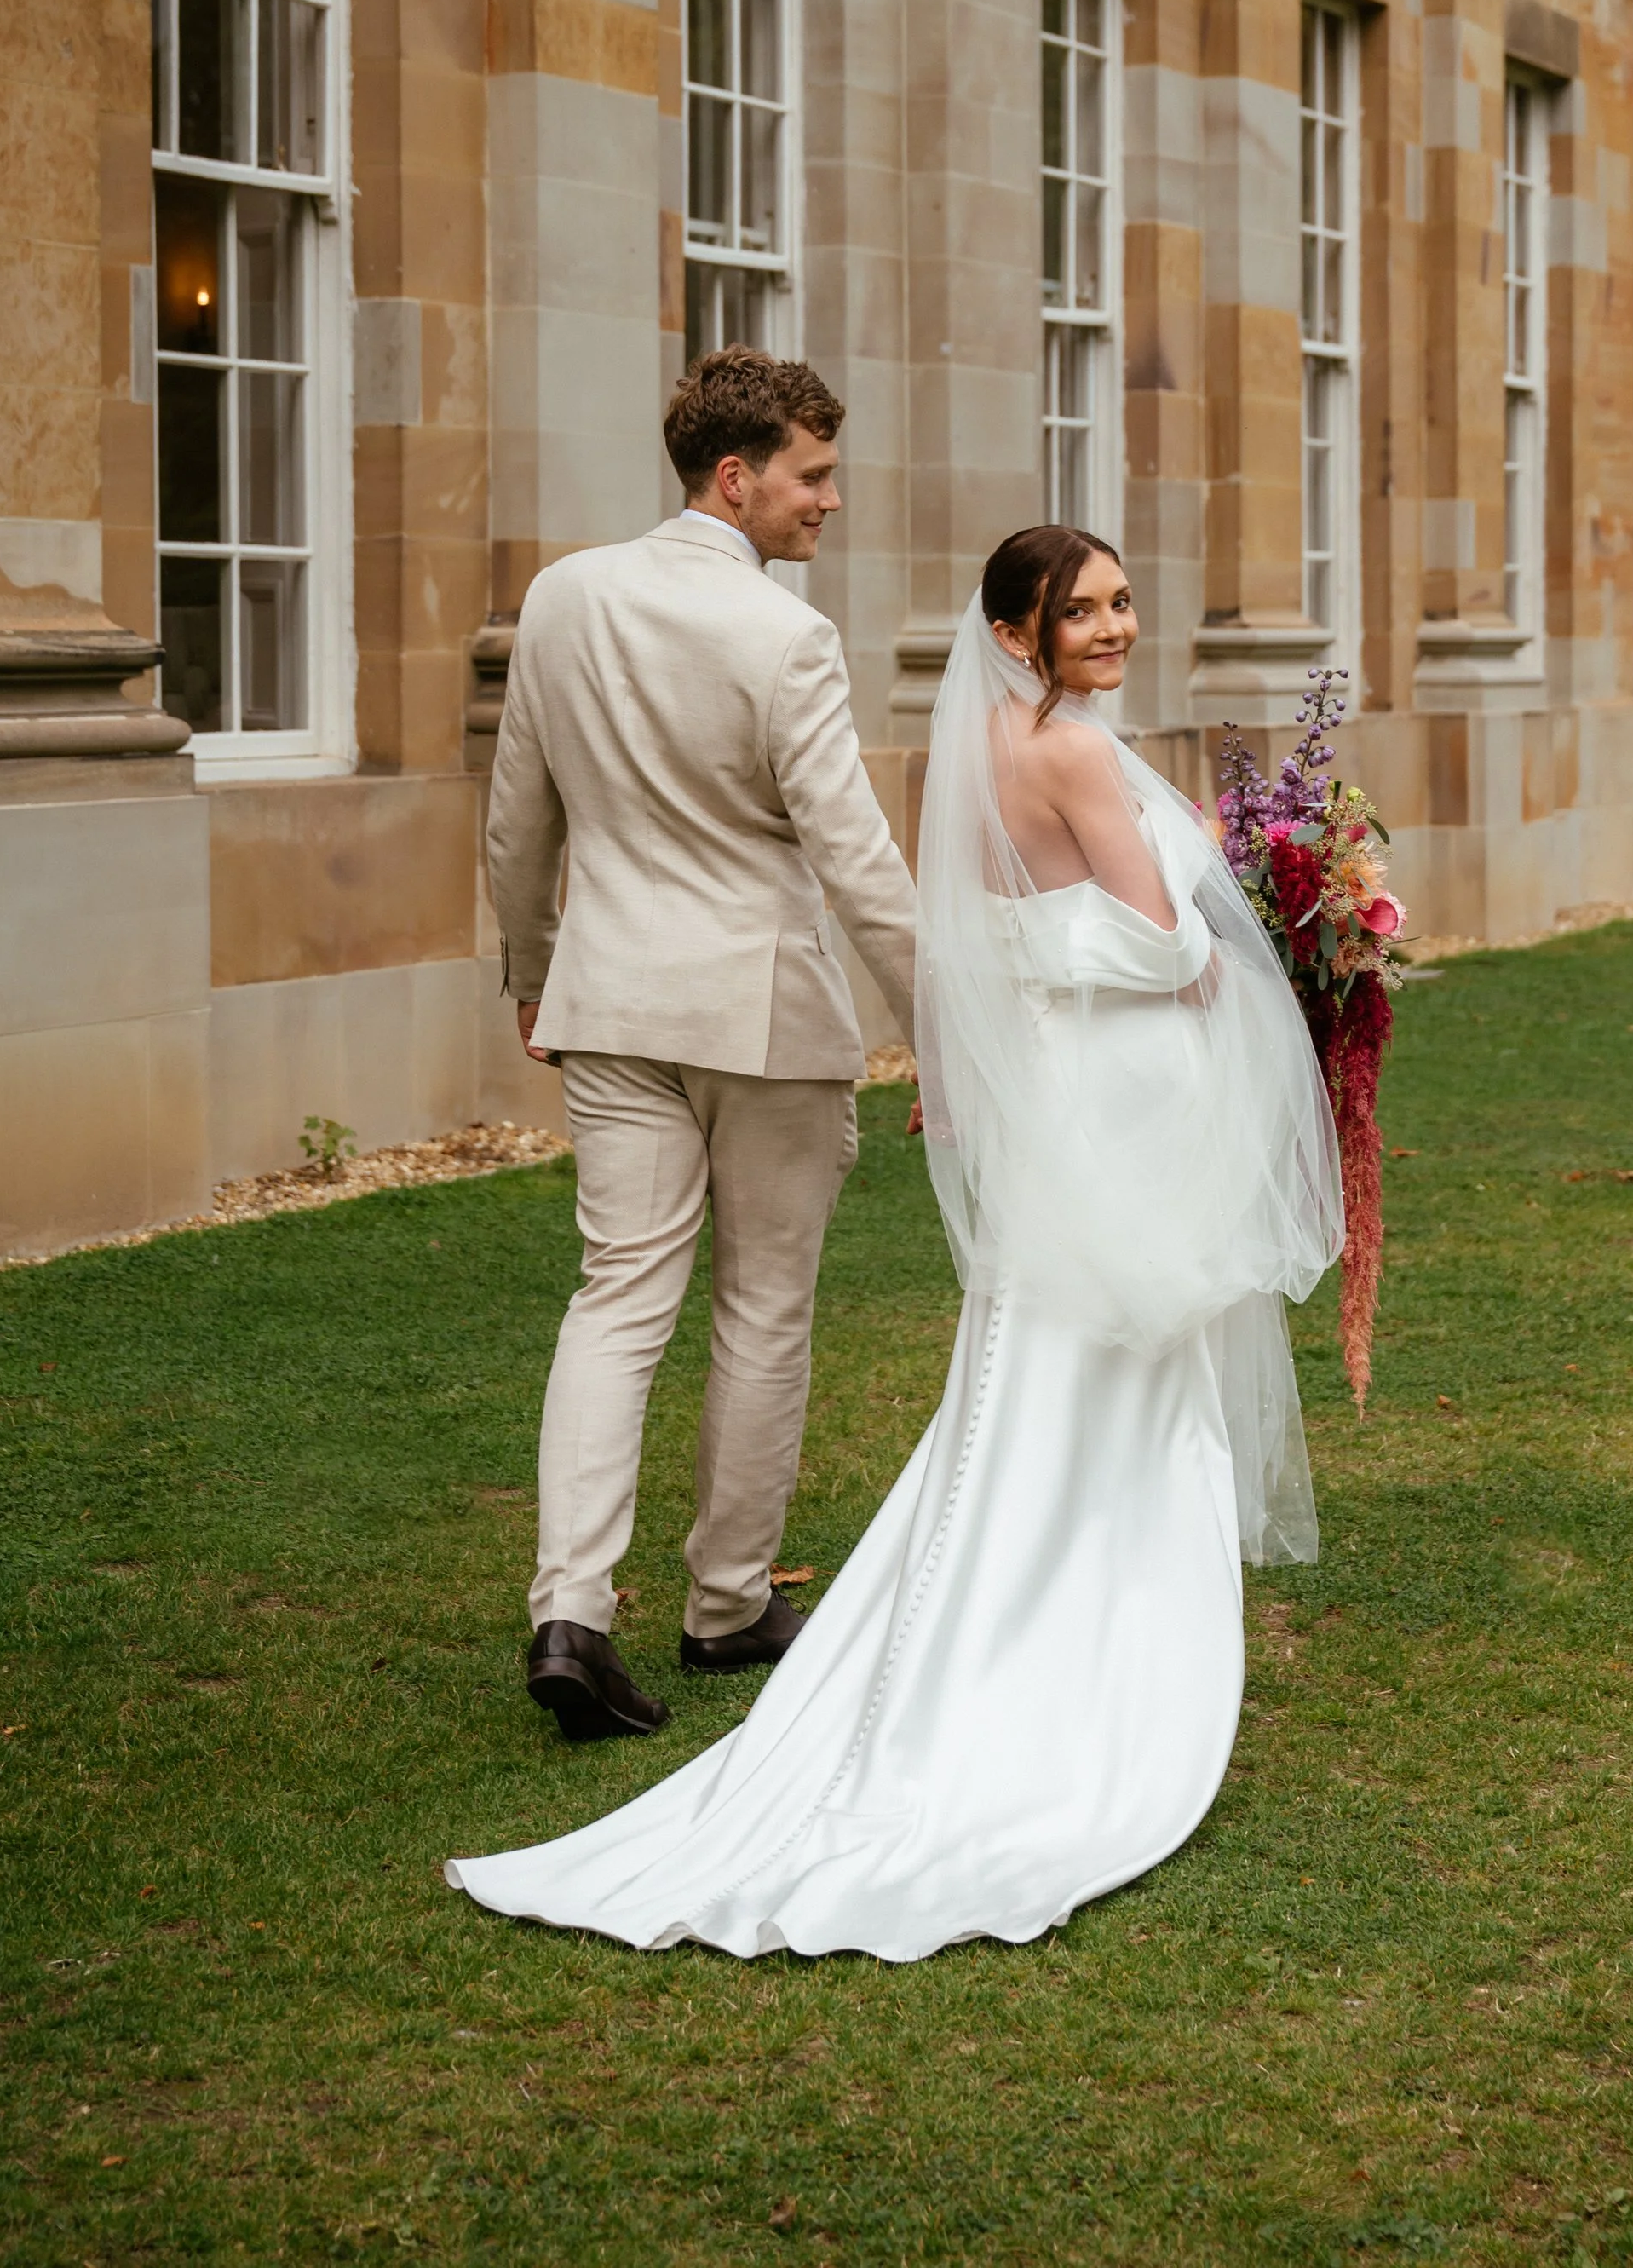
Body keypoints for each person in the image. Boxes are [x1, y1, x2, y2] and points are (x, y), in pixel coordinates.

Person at [448, 526, 1343, 1959]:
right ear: (1019, 629)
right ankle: (1065, 1637)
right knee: (1088, 1352)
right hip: (1091, 1083)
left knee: (1002, 1363)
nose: (1115, 627)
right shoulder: (1077, 754)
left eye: (1125, 600)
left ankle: (696, 1604)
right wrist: (1272, 937)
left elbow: (983, 925)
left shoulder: (967, 750)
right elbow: (1164, 943)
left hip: (999, 1079)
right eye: (1086, 610)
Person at [486, 347, 918, 1742]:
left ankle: (571, 1610)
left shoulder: (561, 597)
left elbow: (517, 820)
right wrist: (946, 1031)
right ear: (735, 477)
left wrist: (532, 973)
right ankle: (727, 1602)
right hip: (763, 1014)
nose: (830, 502)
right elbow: (855, 861)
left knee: (616, 1299)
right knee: (762, 1306)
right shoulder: (787, 637)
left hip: (608, 1002)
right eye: (813, 474)